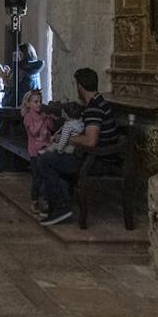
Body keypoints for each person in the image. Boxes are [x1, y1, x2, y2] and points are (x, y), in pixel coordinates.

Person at [34, 68, 119, 225]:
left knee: (45, 160)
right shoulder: (98, 102)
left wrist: (66, 139)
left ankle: (60, 208)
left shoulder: (94, 108)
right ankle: (51, 202)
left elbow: (90, 141)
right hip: (94, 156)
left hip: (96, 160)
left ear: (80, 86)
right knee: (48, 157)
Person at [30, 101, 84, 218]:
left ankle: (56, 204)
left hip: (68, 152)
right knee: (45, 157)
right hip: (76, 151)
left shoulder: (68, 126)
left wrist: (57, 149)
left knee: (43, 160)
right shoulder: (80, 123)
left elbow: (62, 143)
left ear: (65, 113)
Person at [21, 89, 53, 158]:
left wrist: (49, 119)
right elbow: (33, 132)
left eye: (40, 102)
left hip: (46, 147)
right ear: (28, 103)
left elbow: (51, 128)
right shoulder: (28, 117)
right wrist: (42, 120)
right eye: (36, 102)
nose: (39, 104)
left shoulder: (42, 114)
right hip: (35, 151)